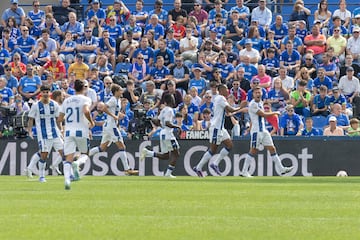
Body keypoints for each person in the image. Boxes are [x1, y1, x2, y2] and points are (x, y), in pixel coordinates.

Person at [193, 84, 245, 177]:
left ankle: (215, 164)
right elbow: (231, 109)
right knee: (213, 150)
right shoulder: (221, 98)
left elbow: (228, 112)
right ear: (221, 90)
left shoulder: (219, 98)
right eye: (226, 89)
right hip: (216, 128)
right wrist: (241, 107)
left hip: (221, 128)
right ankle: (198, 167)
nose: (227, 90)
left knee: (229, 145)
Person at [241, 86, 293, 177]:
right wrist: (275, 112)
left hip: (263, 131)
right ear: (253, 94)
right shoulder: (253, 104)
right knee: (253, 150)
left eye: (259, 92)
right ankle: (244, 171)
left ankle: (281, 169)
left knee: (272, 148)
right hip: (256, 131)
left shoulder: (260, 103)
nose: (258, 94)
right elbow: (263, 114)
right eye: (256, 93)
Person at [87, 83, 138, 176]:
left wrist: (118, 115)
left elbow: (113, 111)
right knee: (122, 146)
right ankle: (127, 169)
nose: (121, 92)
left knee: (102, 148)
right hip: (111, 126)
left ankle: (83, 156)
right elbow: (104, 108)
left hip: (109, 126)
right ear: (116, 92)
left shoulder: (118, 100)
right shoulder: (113, 99)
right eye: (120, 90)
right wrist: (113, 116)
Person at [57, 79, 95, 190]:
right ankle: (77, 163)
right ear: (83, 88)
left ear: (74, 88)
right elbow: (86, 110)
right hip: (81, 131)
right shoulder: (86, 99)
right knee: (85, 154)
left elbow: (59, 118)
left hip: (68, 131)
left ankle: (67, 180)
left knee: (68, 157)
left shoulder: (67, 101)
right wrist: (91, 122)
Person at [25, 85, 64, 181]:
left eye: (47, 92)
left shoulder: (54, 105)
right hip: (43, 134)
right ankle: (41, 176)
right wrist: (29, 131)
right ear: (41, 93)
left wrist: (61, 130)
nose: (46, 94)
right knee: (44, 154)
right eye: (44, 92)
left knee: (64, 152)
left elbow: (58, 119)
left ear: (50, 93)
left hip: (55, 133)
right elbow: (31, 119)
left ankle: (67, 173)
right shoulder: (36, 105)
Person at [140, 94, 181, 178]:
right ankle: (168, 174)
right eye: (172, 98)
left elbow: (158, 122)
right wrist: (177, 127)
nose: (173, 100)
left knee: (166, 156)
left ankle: (148, 152)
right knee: (176, 154)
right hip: (168, 134)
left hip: (162, 133)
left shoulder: (163, 110)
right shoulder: (169, 110)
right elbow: (167, 123)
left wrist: (151, 118)